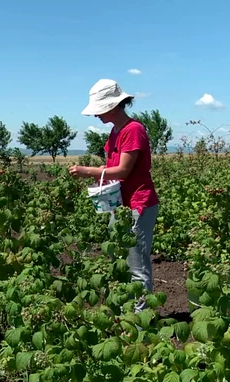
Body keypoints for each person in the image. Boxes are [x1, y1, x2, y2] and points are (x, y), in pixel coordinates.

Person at [69, 79, 159, 312]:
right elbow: (112, 167)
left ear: (114, 105)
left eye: (99, 109)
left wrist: (87, 171)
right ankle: (126, 315)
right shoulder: (115, 132)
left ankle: (140, 325)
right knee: (121, 261)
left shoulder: (133, 130)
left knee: (137, 266)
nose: (95, 115)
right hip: (120, 203)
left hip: (138, 203)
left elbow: (123, 170)